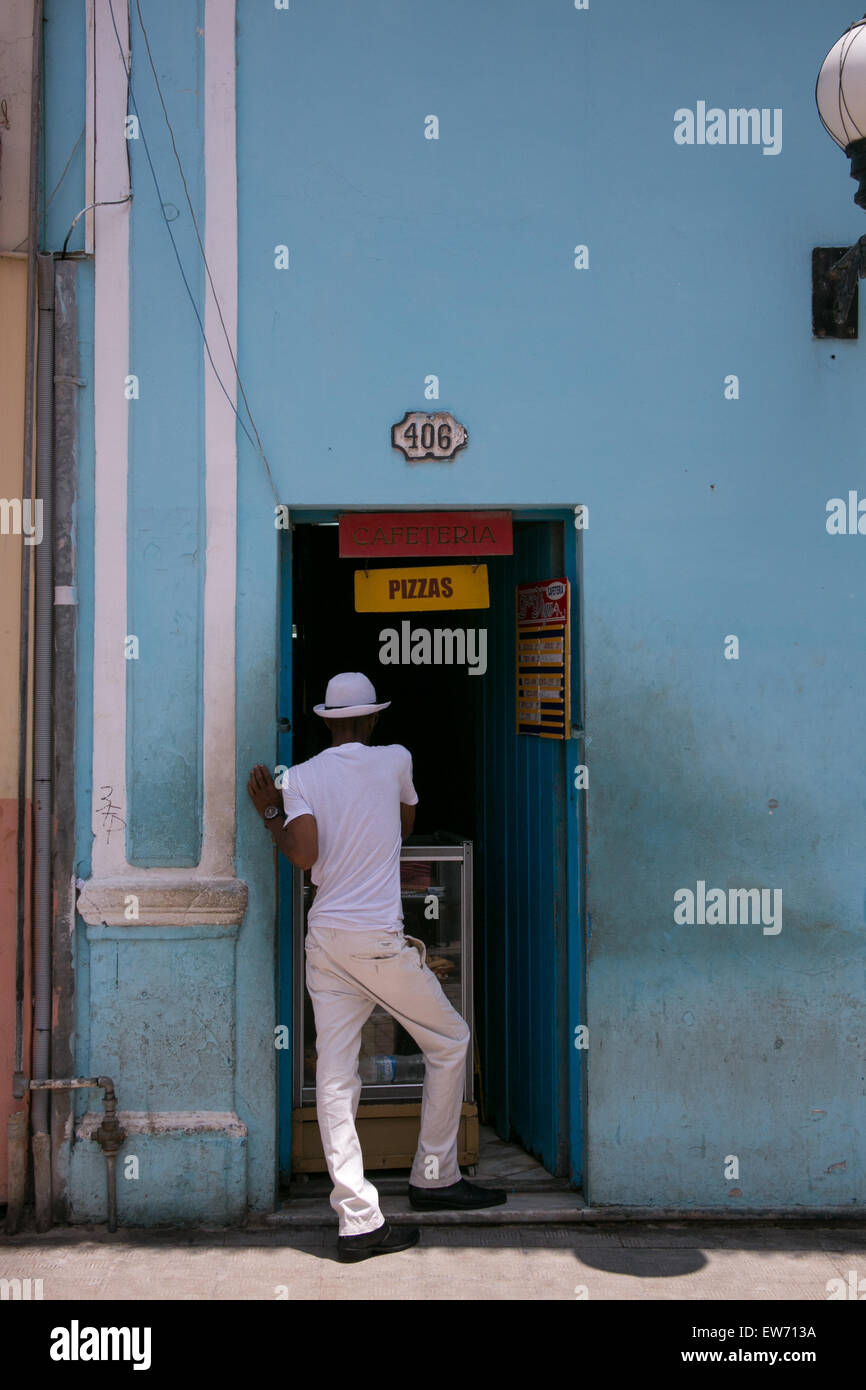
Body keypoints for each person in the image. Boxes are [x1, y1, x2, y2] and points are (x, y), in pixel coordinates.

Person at [247, 671, 506, 1262]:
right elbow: (407, 823)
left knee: (336, 1078)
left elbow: (303, 854)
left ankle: (359, 1219)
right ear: (371, 719)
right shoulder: (396, 759)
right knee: (450, 1040)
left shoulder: (303, 777)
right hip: (378, 942)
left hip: (327, 942)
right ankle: (434, 1177)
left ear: (329, 722)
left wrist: (269, 813)